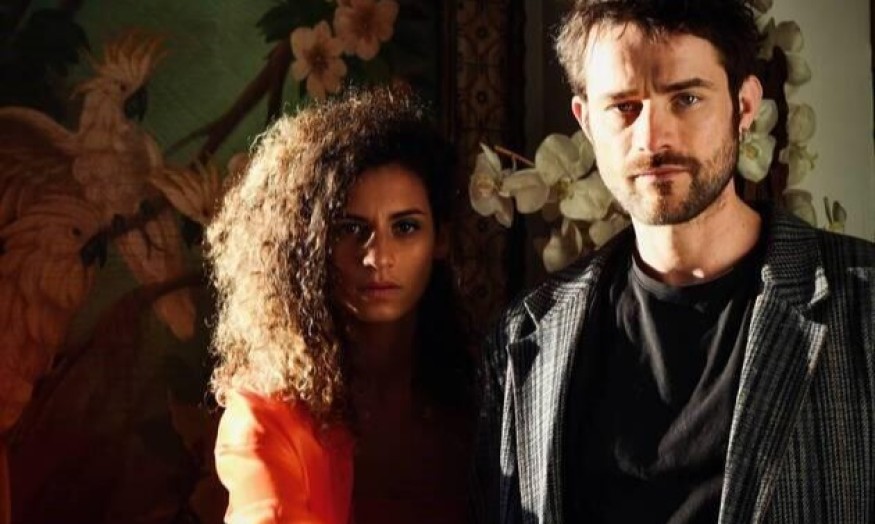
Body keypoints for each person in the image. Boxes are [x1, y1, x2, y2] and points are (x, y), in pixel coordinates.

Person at [473, 0, 875, 522]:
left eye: (686, 98)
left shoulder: (863, 307)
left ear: (744, 105)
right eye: (624, 107)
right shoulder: (525, 339)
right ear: (587, 121)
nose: (652, 138)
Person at [208, 87, 474, 524]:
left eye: (405, 227)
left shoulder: (481, 395)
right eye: (351, 229)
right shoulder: (265, 417)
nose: (378, 257)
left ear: (440, 239)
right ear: (309, 247)